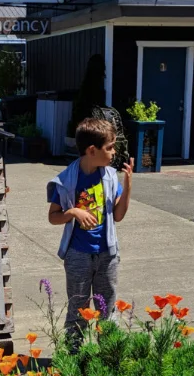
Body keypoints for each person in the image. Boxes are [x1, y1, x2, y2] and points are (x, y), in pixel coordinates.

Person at [47, 117, 133, 340]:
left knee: (108, 308)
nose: (114, 152)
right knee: (78, 307)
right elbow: (53, 217)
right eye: (110, 147)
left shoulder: (111, 177)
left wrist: (129, 185)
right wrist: (73, 212)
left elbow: (119, 215)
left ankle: (108, 353)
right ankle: (74, 357)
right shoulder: (66, 180)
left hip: (107, 254)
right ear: (92, 150)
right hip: (78, 255)